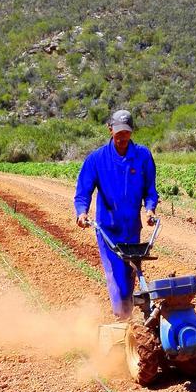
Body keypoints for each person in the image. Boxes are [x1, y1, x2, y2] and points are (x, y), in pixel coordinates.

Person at [74, 109, 159, 320]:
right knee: (118, 280)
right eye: (118, 132)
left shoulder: (142, 156)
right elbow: (83, 192)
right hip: (108, 230)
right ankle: (122, 320)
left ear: (132, 132)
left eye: (126, 132)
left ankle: (130, 318)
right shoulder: (96, 159)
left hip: (132, 228)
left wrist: (150, 209)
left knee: (130, 277)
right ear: (110, 129)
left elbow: (150, 190)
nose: (122, 137)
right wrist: (81, 213)